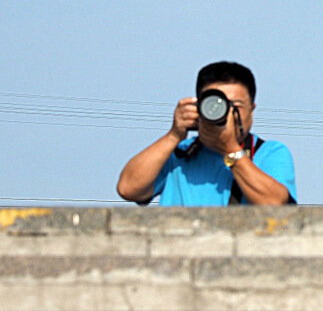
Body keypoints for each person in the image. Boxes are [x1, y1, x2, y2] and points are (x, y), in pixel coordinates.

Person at [117, 61, 296, 205]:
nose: (226, 112)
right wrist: (174, 135)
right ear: (199, 107)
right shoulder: (180, 153)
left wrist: (230, 151)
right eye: (216, 105)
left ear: (252, 110)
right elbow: (128, 189)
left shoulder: (268, 152)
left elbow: (276, 205)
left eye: (236, 106)